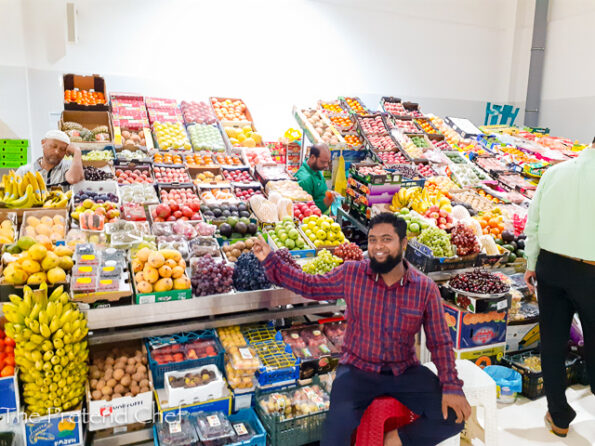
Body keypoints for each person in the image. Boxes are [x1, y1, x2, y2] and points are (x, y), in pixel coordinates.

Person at [253, 212, 470, 446]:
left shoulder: (424, 288)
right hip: (357, 369)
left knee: (453, 418)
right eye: (373, 239)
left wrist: (451, 385)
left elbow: (440, 342)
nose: (378, 246)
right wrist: (270, 261)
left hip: (403, 371)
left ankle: (393, 439)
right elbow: (310, 286)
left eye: (386, 239)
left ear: (403, 243)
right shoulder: (353, 274)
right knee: (334, 435)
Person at [524, 140, 595, 437]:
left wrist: (530, 261)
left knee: (552, 343)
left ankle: (559, 417)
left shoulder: (555, 172)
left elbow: (534, 221)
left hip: (551, 267)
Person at [16, 130, 84, 186]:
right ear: (43, 143)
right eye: (53, 146)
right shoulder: (24, 171)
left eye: (62, 149)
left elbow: (74, 179)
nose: (57, 152)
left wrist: (77, 151)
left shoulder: (68, 167)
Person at [295, 143, 334, 213]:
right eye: (323, 162)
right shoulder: (305, 180)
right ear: (312, 157)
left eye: (328, 162)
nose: (326, 165)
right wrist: (325, 204)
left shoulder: (315, 168)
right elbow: (306, 210)